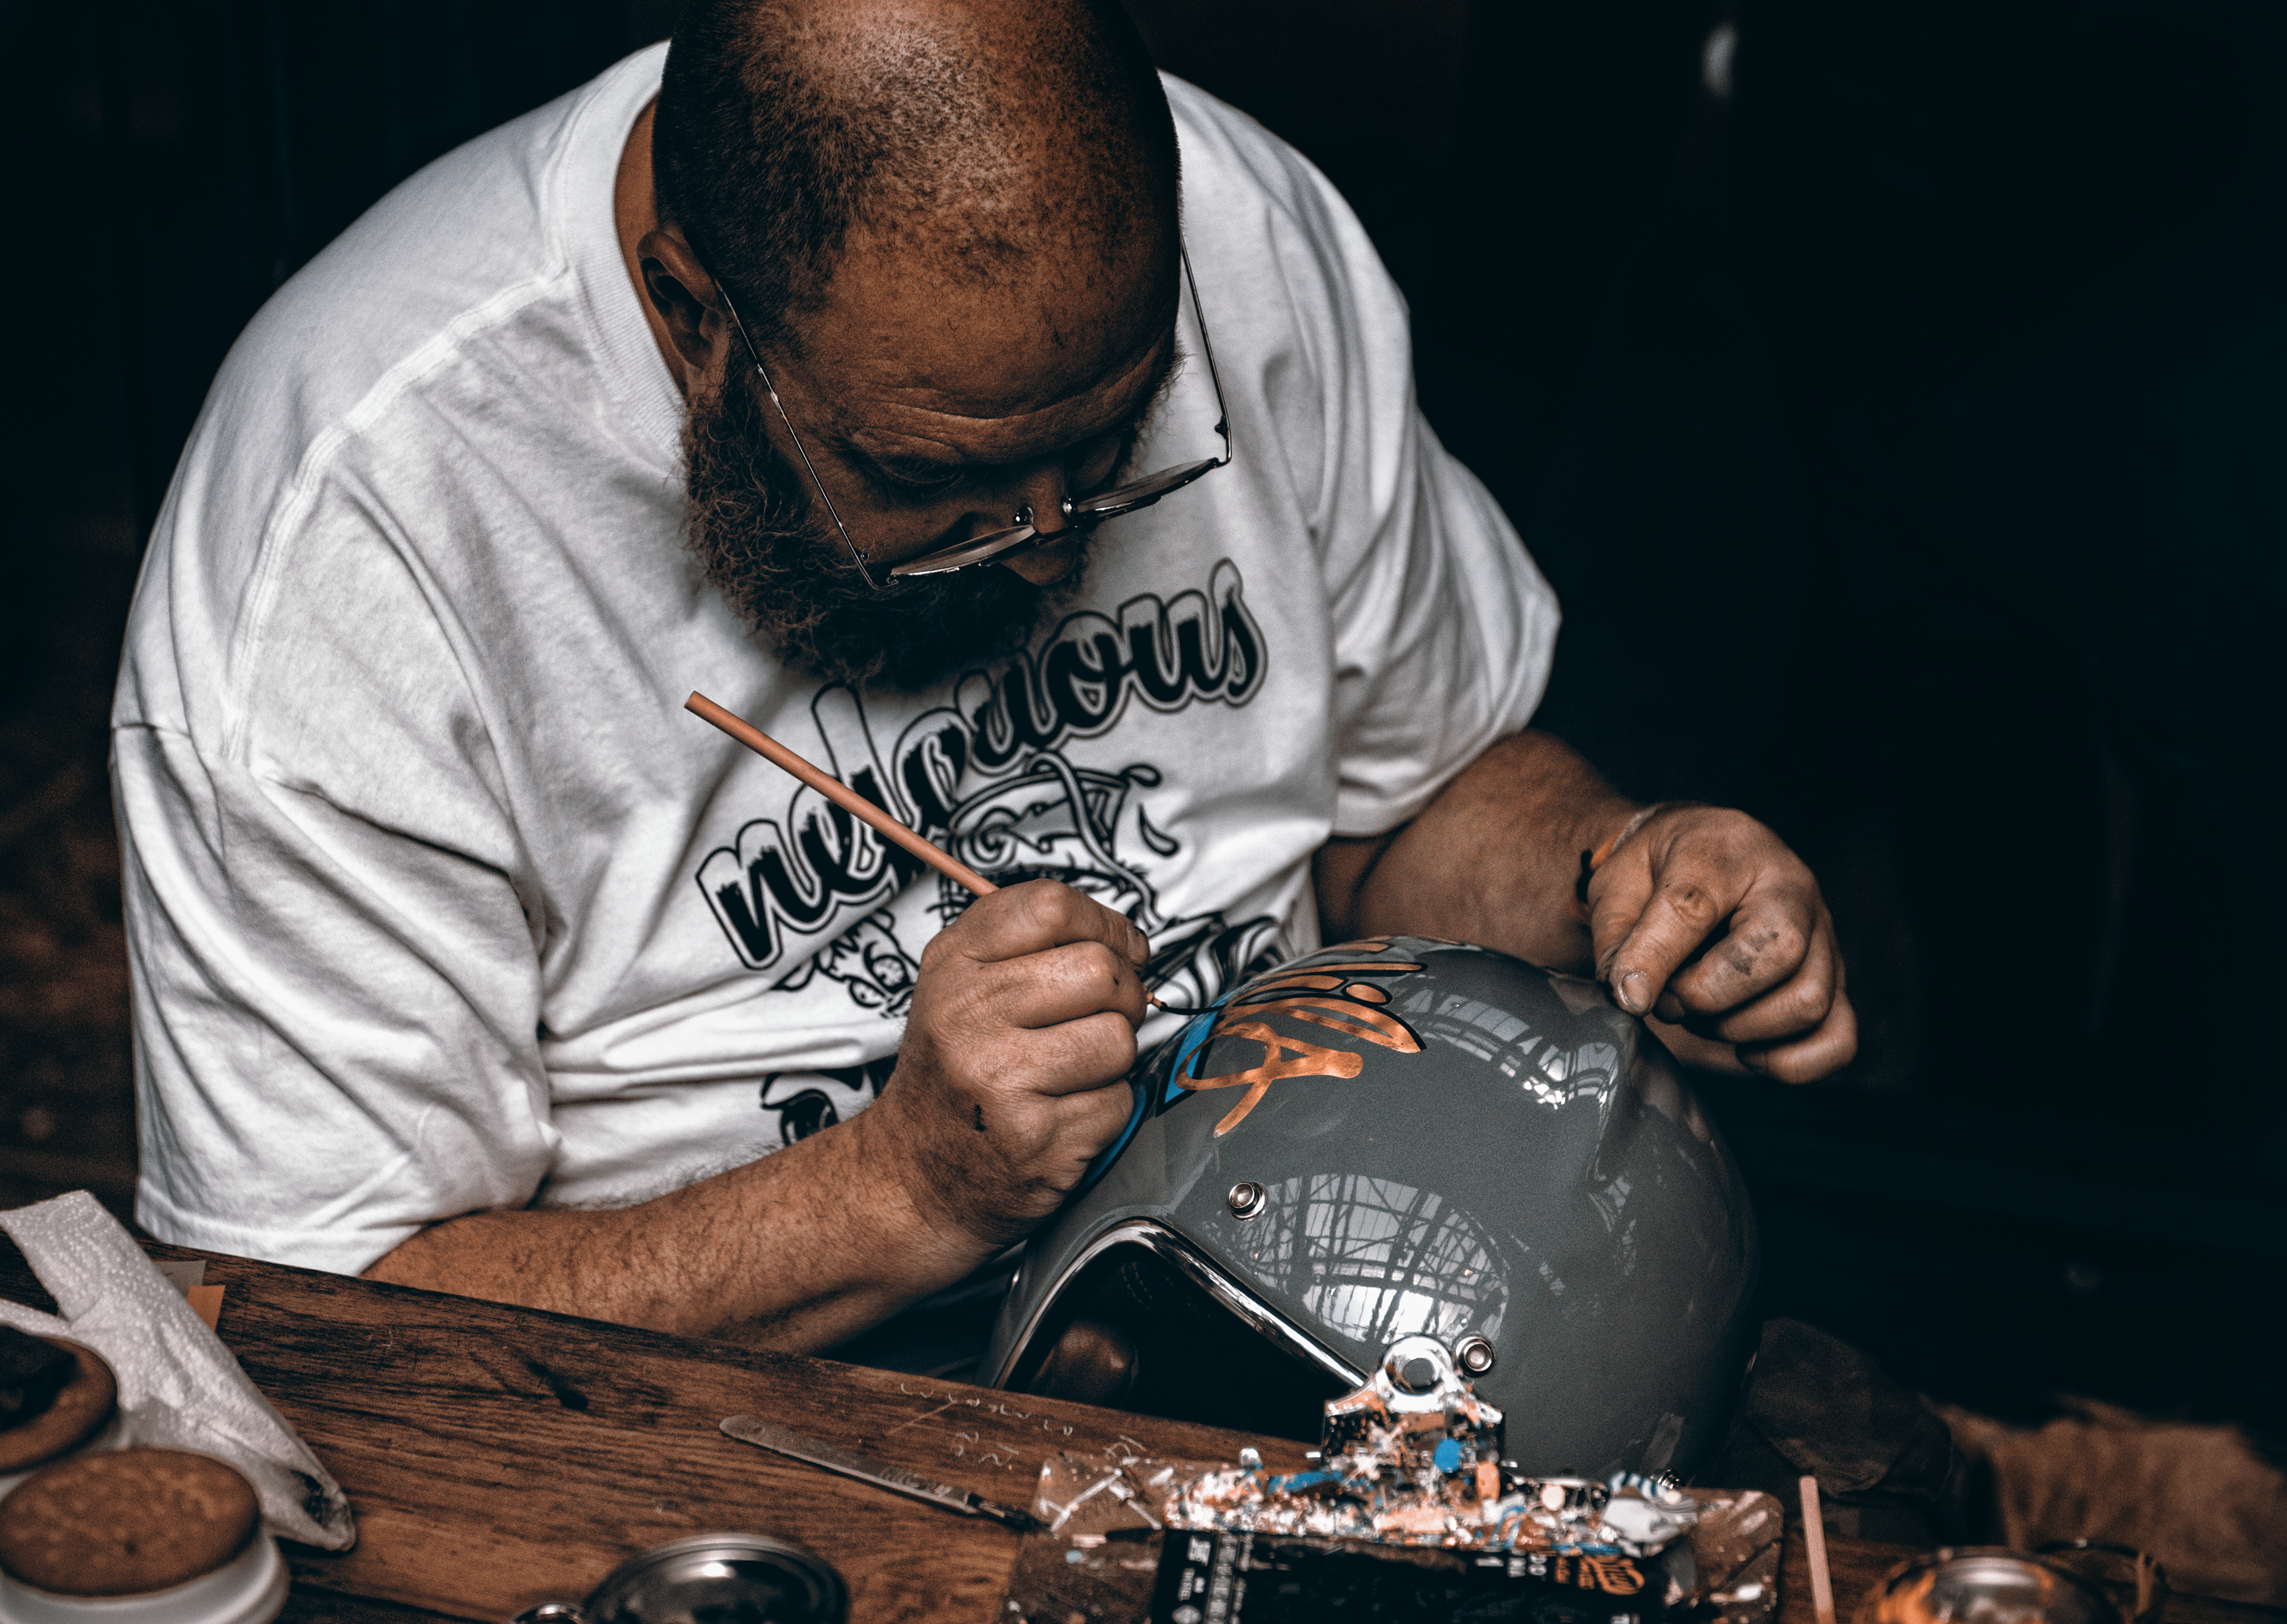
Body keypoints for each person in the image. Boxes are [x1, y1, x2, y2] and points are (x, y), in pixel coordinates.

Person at [111, 0, 1854, 1355]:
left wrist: (1621, 875)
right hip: (739, 1413)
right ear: (692, 318)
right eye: (935, 482)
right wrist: (898, 1192)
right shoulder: (364, 516)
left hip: (1313, 1285)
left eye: (1112, 450)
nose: (1042, 545)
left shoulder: (1246, 236)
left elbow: (1410, 800)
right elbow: (304, 1323)